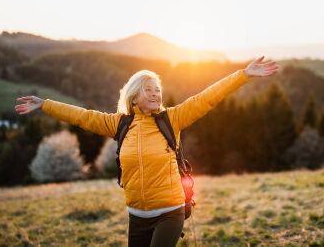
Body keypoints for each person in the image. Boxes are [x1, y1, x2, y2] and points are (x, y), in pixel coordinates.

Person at [15, 56, 278, 247]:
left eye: (158, 90)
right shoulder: (120, 124)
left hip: (170, 212)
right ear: (134, 96)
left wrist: (243, 75)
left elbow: (207, 98)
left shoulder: (172, 119)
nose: (155, 94)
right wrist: (45, 105)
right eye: (148, 89)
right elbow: (82, 117)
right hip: (136, 216)